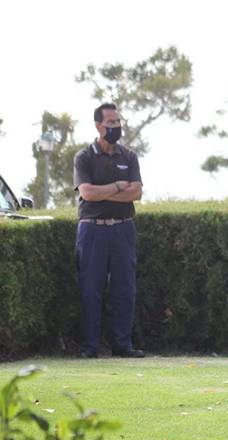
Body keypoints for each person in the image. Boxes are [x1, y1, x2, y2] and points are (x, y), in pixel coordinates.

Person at [73, 103, 145, 359]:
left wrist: (103, 193)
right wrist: (116, 187)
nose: (116, 127)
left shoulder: (129, 156)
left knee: (124, 288)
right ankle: (90, 347)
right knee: (91, 289)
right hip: (92, 231)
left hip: (123, 230)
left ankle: (122, 345)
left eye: (118, 122)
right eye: (111, 123)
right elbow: (87, 193)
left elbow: (136, 192)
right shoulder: (84, 157)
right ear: (98, 126)